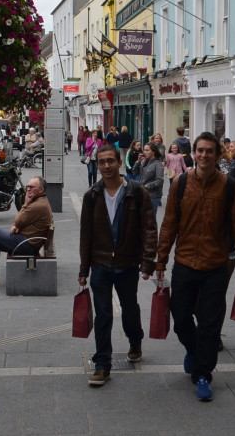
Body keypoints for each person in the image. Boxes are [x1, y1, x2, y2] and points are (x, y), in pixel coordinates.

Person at [155, 132, 235, 402]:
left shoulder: (229, 187)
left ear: (217, 154)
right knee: (181, 319)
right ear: (193, 153)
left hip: (215, 265)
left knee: (210, 324)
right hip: (185, 262)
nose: (204, 155)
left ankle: (202, 375)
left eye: (209, 151)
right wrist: (160, 260)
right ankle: (194, 350)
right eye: (200, 150)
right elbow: (169, 224)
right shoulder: (181, 183)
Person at [78, 145, 157, 386]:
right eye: (101, 162)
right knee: (103, 315)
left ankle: (135, 339)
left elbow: (149, 228)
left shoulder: (136, 191)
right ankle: (102, 364)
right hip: (100, 264)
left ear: (120, 162)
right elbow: (86, 235)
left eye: (110, 161)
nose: (106, 166)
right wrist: (84, 269)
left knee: (129, 308)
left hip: (127, 263)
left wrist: (148, 261)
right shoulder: (92, 195)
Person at [132, 142, 165, 214]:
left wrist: (147, 186)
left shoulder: (158, 164)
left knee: (150, 220)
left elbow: (160, 180)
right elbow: (135, 172)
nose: (144, 152)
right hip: (143, 194)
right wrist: (138, 161)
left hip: (153, 196)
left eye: (147, 150)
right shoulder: (145, 162)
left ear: (153, 152)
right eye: (144, 150)